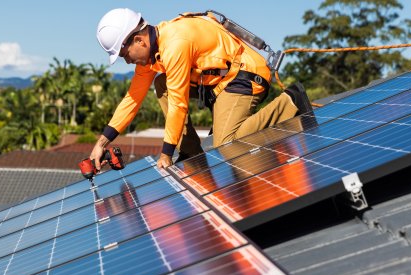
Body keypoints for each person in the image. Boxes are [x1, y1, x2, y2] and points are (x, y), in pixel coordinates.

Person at [89, 8, 313, 169]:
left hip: (244, 76)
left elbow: (178, 102)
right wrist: (102, 143)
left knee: (227, 143)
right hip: (218, 85)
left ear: (139, 40)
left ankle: (290, 101)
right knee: (161, 83)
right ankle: (191, 152)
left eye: (124, 54)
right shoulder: (151, 55)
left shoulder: (175, 43)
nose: (126, 61)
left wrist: (166, 153)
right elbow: (132, 99)